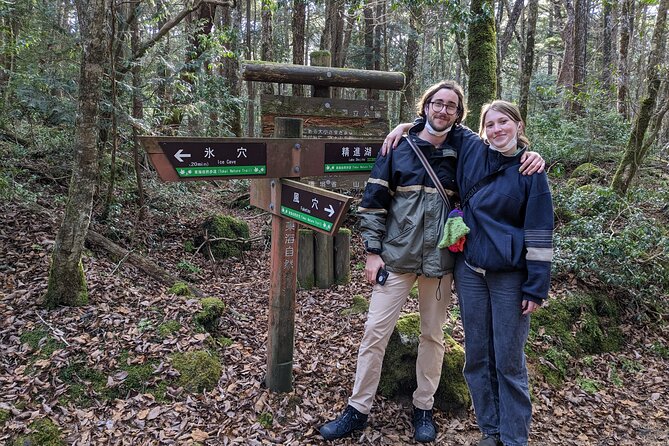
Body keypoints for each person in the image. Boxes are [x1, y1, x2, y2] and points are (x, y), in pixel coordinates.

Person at [318, 81, 544, 444]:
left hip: (440, 264)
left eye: (451, 106)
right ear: (425, 106)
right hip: (395, 258)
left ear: (458, 115)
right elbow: (373, 202)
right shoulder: (398, 146)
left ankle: (424, 408)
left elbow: (498, 139)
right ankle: (357, 409)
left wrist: (532, 155)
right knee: (375, 332)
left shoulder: (463, 147)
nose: (442, 111)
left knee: (433, 336)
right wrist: (372, 252)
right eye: (437, 104)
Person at [382, 100, 553, 446]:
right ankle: (490, 430)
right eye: (490, 124)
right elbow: (438, 121)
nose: (497, 130)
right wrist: (404, 127)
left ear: (519, 126)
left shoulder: (531, 171)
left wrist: (536, 287)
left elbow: (539, 233)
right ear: (482, 130)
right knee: (476, 356)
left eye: (504, 122)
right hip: (471, 271)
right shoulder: (472, 149)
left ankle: (514, 436)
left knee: (508, 359)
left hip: (509, 276)